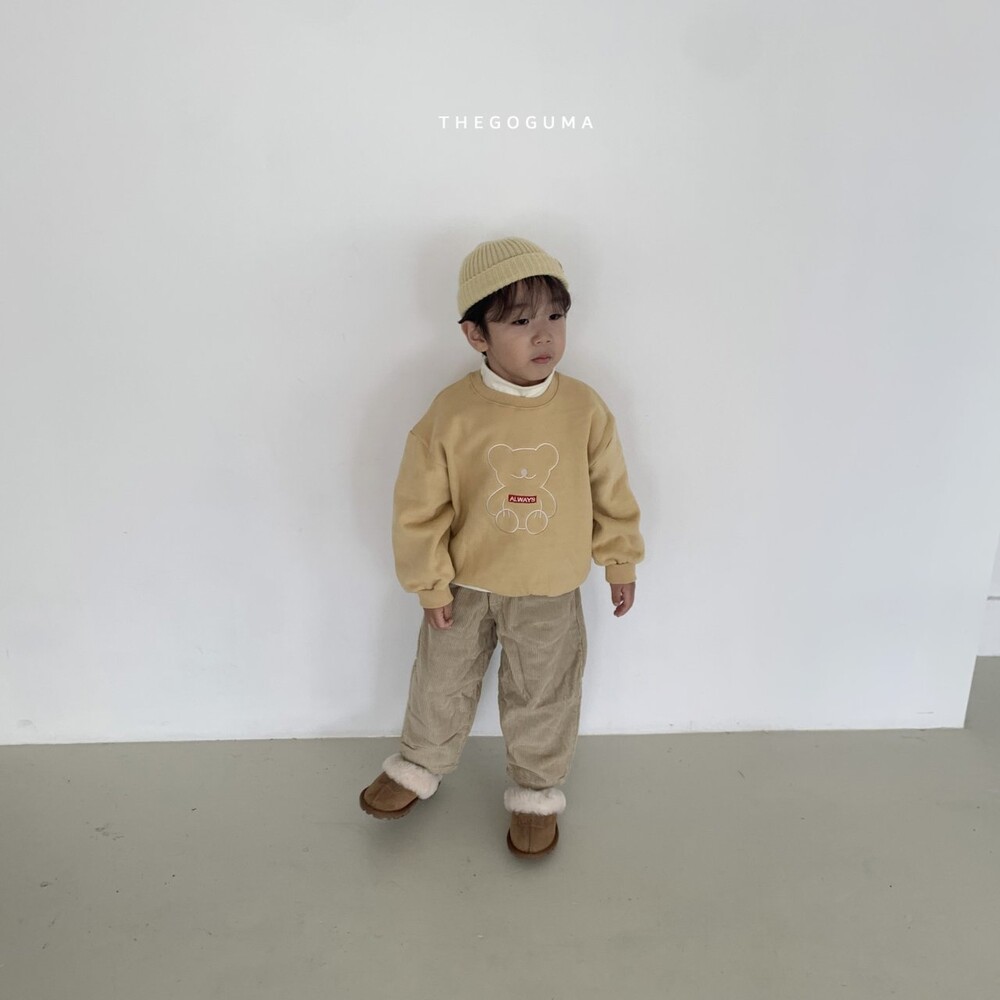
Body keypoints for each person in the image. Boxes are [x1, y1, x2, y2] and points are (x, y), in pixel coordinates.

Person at [359, 236, 644, 857]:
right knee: (440, 681)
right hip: (464, 584)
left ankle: (536, 793)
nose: (544, 335)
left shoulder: (584, 409)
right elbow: (419, 505)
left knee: (544, 694)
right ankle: (419, 764)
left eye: (555, 316)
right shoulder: (453, 412)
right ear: (476, 335)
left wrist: (620, 560)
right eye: (520, 321)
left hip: (551, 590)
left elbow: (611, 491)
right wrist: (429, 582)